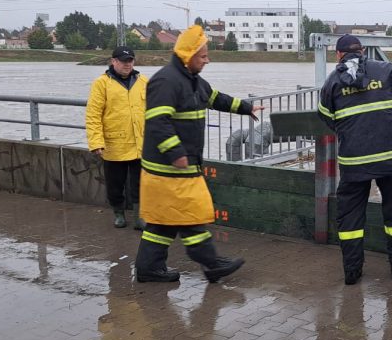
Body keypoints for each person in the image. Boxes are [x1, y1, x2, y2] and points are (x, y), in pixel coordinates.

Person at [134, 25, 263, 283]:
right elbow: (158, 122)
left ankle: (148, 268)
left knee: (164, 221)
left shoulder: (192, 80)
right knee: (190, 214)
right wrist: (176, 153)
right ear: (188, 55)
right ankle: (211, 263)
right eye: (203, 56)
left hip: (179, 166)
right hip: (169, 169)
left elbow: (214, 98)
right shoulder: (166, 81)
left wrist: (246, 107)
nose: (207, 60)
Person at [317, 35, 392, 285]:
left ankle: (352, 271)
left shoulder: (332, 82)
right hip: (391, 157)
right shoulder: (388, 70)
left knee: (351, 217)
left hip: (354, 161)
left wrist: (350, 131)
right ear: (363, 51)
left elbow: (326, 116)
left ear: (338, 55)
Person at [86, 46, 148, 230]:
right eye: (123, 61)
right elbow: (93, 115)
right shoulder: (102, 83)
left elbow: (153, 110)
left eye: (130, 61)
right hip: (114, 144)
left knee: (141, 184)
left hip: (140, 143)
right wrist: (96, 142)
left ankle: (139, 217)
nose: (127, 64)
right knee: (115, 185)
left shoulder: (143, 81)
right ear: (113, 62)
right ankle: (119, 213)